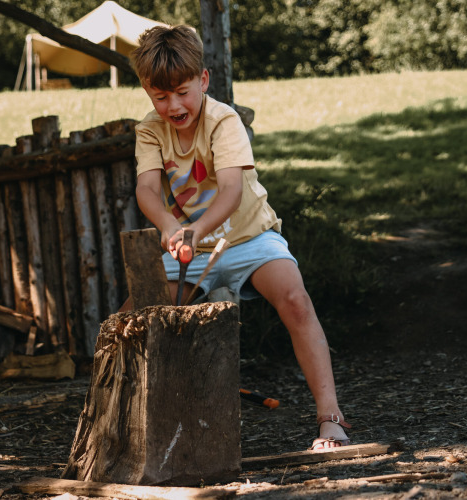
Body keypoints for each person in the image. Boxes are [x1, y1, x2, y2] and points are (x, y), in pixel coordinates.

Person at [126, 24, 351, 450]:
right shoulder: (150, 130)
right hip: (189, 243)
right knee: (134, 320)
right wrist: (169, 226)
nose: (173, 105)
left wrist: (194, 228)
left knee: (296, 301)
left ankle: (330, 417)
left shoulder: (223, 119)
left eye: (182, 92)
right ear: (147, 91)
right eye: (160, 96)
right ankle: (130, 425)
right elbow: (147, 190)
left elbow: (230, 191)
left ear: (203, 80)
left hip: (249, 236)